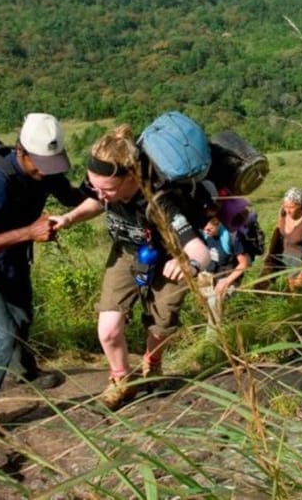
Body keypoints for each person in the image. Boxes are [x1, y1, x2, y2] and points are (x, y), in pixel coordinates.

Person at [49, 125, 212, 409]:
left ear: (131, 178)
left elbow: (200, 249)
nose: (101, 194)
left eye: (108, 189)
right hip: (125, 253)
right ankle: (121, 379)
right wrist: (69, 218)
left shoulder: (160, 201)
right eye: (94, 186)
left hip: (168, 260)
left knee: (161, 327)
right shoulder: (103, 185)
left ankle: (152, 363)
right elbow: (95, 202)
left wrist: (190, 263)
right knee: (108, 330)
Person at [0, 113, 84, 421]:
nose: (44, 171)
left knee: (21, 318)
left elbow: (71, 197)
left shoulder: (46, 172)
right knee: (2, 335)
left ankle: (24, 373)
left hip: (11, 259)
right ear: (21, 151)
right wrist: (29, 232)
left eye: (50, 164)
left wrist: (104, 183)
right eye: (40, 164)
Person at [199, 216, 251, 330]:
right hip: (211, 270)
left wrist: (226, 282)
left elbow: (243, 264)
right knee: (204, 300)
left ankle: (212, 336)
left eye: (210, 229)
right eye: (204, 229)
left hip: (229, 274)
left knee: (213, 302)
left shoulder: (232, 236)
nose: (206, 231)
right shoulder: (204, 233)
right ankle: (216, 318)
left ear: (218, 224)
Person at [271, 188, 302, 291]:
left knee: (295, 289)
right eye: (285, 206)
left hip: (298, 261)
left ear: (299, 205)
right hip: (283, 257)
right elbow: (279, 232)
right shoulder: (283, 213)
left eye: (291, 207)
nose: (288, 211)